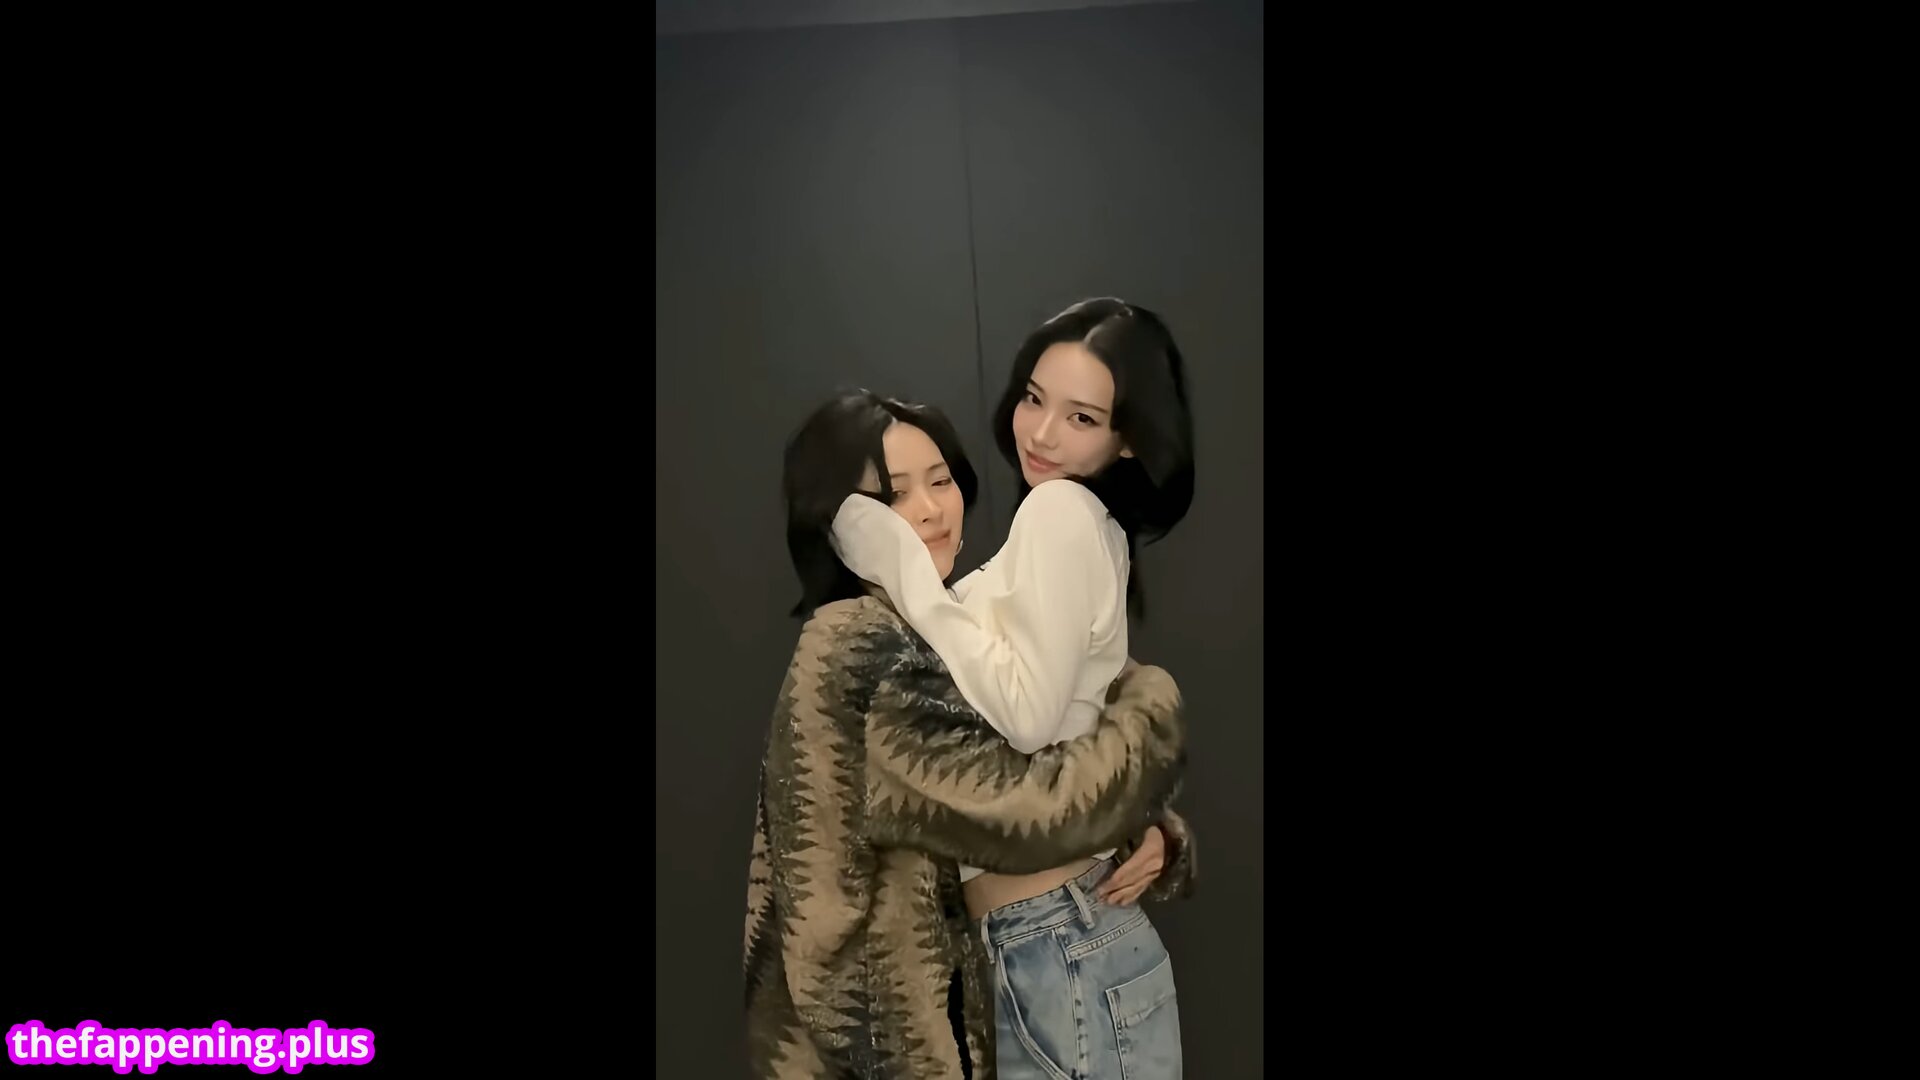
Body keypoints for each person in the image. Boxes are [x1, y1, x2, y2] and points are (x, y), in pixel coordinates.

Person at [745, 390, 1195, 1079]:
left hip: (1037, 964)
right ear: (842, 525)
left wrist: (1146, 828)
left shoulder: (943, 630)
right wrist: (1153, 705)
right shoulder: (862, 644)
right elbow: (1025, 809)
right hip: (912, 1036)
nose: (931, 509)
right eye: (894, 496)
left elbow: (1018, 774)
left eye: (942, 480)